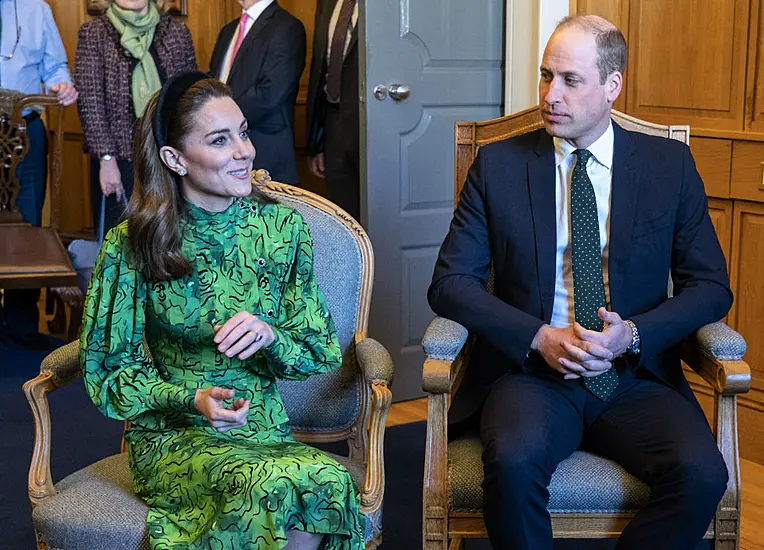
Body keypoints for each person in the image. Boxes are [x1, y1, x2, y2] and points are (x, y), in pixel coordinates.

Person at [428, 15, 732, 550]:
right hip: (531, 376)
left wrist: (632, 334)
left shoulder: (670, 166)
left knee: (703, 472)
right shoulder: (497, 165)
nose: (550, 94)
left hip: (634, 375)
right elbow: (450, 283)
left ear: (613, 86)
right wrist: (537, 336)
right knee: (515, 461)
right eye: (546, 76)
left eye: (570, 80)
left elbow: (710, 287)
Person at [79, 73, 365, 550]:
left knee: (327, 483)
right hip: (174, 439)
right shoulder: (132, 244)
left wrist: (271, 336)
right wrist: (190, 400)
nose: (244, 151)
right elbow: (107, 371)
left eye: (244, 132)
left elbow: (319, 351)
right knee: (267, 490)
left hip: (265, 432)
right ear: (174, 158)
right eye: (219, 140)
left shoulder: (281, 228)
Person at [75, 0, 197, 235]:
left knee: (172, 234)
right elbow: (91, 101)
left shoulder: (176, 32)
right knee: (122, 238)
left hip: (168, 154)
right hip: (118, 159)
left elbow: (189, 95)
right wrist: (106, 159)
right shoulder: (94, 33)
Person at [0, 0, 78, 350]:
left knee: (28, 222)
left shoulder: (36, 8)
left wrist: (62, 85)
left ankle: (21, 324)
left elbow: (55, 66)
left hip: (25, 132)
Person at [209, 0, 306, 185]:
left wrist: (218, 120)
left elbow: (270, 94)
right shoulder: (228, 30)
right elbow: (214, 83)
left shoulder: (287, 27)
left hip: (265, 153)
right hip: (223, 156)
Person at [305, 0, 359, 220]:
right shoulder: (328, 3)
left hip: (374, 122)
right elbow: (321, 68)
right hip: (333, 123)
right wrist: (317, 142)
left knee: (380, 219)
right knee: (342, 217)